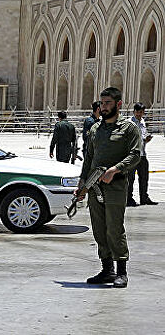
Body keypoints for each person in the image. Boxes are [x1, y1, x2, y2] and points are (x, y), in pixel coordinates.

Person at [76, 87, 141, 288]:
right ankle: (107, 270)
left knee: (114, 228)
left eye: (107, 104)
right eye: (102, 104)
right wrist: (82, 185)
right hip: (95, 188)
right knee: (99, 229)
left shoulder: (129, 129)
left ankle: (122, 271)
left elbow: (135, 154)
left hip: (116, 187)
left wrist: (115, 169)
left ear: (118, 104)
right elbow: (89, 159)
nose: (103, 107)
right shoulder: (96, 129)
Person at [127, 102, 158, 207]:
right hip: (132, 154)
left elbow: (142, 136)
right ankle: (128, 198)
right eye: (138, 112)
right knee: (130, 178)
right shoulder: (129, 123)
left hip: (142, 154)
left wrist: (146, 139)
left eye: (141, 112)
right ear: (134, 111)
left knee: (144, 177)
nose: (139, 114)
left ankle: (144, 197)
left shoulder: (143, 122)